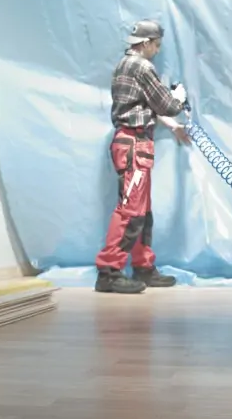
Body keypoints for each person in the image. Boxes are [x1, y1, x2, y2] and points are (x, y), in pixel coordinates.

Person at [94, 19, 191, 294]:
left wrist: (171, 126)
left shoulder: (124, 65)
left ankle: (143, 267)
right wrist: (179, 97)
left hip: (132, 144)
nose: (157, 51)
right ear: (146, 43)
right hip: (134, 147)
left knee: (142, 212)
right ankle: (108, 273)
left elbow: (140, 106)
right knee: (131, 212)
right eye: (156, 45)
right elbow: (166, 104)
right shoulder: (142, 67)